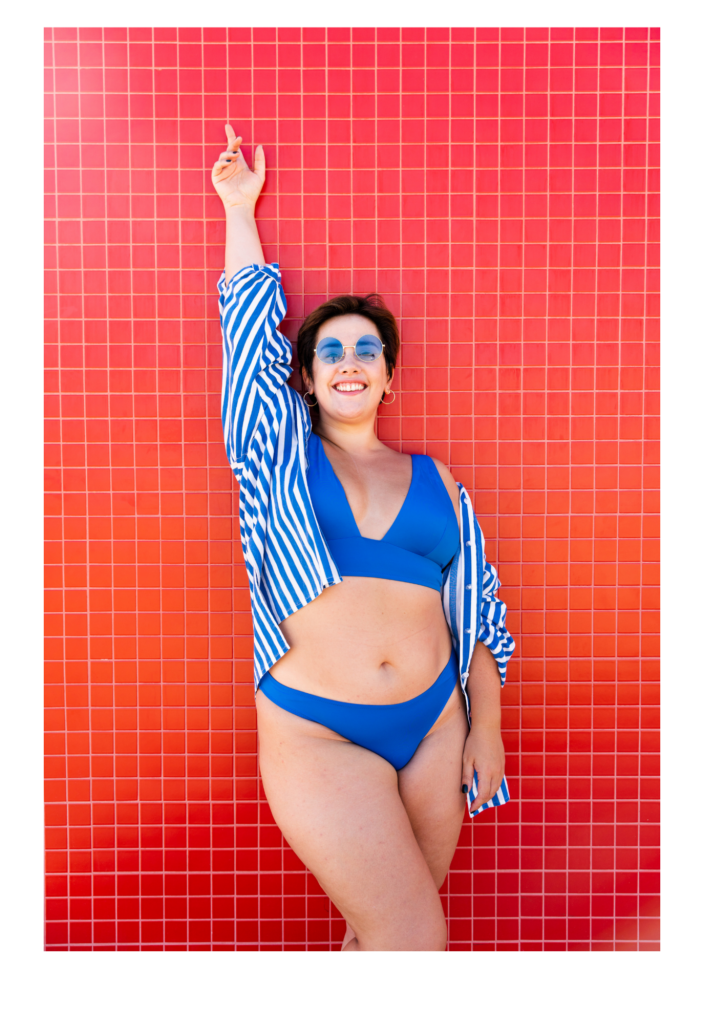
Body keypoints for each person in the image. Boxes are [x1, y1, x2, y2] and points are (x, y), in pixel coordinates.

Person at [212, 124, 514, 952]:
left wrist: (484, 727)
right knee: (414, 935)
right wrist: (239, 210)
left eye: (367, 350)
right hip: (318, 729)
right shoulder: (276, 452)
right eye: (331, 351)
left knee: (375, 935)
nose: (350, 360)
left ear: (388, 377)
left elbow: (478, 613)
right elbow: (246, 341)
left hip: (435, 725)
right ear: (307, 380)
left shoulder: (438, 480)